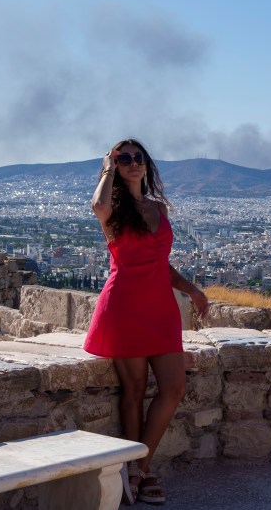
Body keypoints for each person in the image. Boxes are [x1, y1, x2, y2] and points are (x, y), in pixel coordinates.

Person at [83, 138, 209, 506]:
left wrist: (192, 290)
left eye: (138, 158)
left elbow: (160, 262)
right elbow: (97, 204)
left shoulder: (157, 208)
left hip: (160, 309)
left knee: (173, 387)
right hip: (123, 306)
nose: (133, 163)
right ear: (115, 165)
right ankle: (140, 470)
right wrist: (106, 167)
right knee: (134, 389)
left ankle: (139, 465)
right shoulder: (113, 210)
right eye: (124, 159)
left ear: (147, 164)